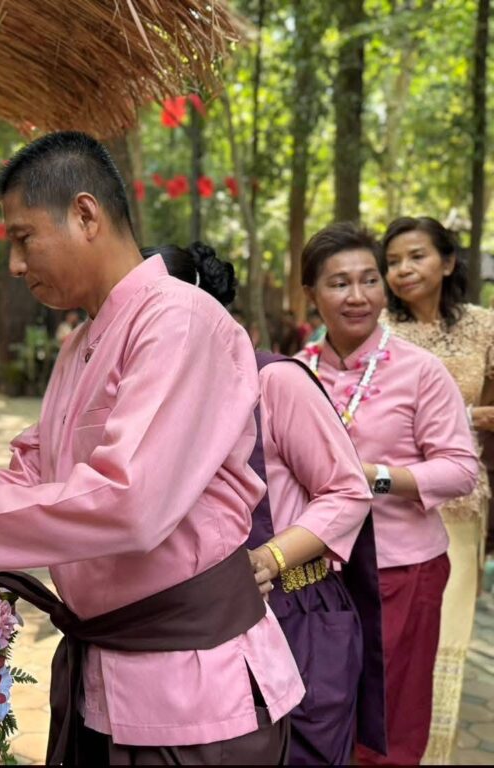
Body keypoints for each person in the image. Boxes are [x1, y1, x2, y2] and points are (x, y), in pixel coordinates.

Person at [0, 131, 304, 765]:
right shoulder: (80, 345)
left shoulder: (179, 320)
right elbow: (32, 477)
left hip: (193, 688)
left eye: (23, 237)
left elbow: (128, 504)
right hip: (108, 674)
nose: (15, 264)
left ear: (85, 214)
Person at [148, 241, 383, 764]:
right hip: (208, 629)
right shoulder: (151, 398)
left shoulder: (273, 381)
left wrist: (269, 559)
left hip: (297, 617)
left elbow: (348, 490)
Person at [294, 222, 478, 765]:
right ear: (311, 294)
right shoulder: (293, 374)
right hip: (315, 571)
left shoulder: (421, 371)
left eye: (369, 280)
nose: (358, 296)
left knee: (391, 720)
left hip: (401, 569)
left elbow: (460, 469)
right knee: (320, 709)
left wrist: (374, 477)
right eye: (339, 283)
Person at [380, 216, 494, 763]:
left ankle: (434, 755)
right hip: (393, 505)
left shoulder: (485, 327)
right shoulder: (378, 329)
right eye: (393, 261)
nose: (403, 270)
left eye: (416, 256)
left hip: (462, 505)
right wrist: (468, 415)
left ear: (448, 262)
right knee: (398, 644)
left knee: (448, 639)